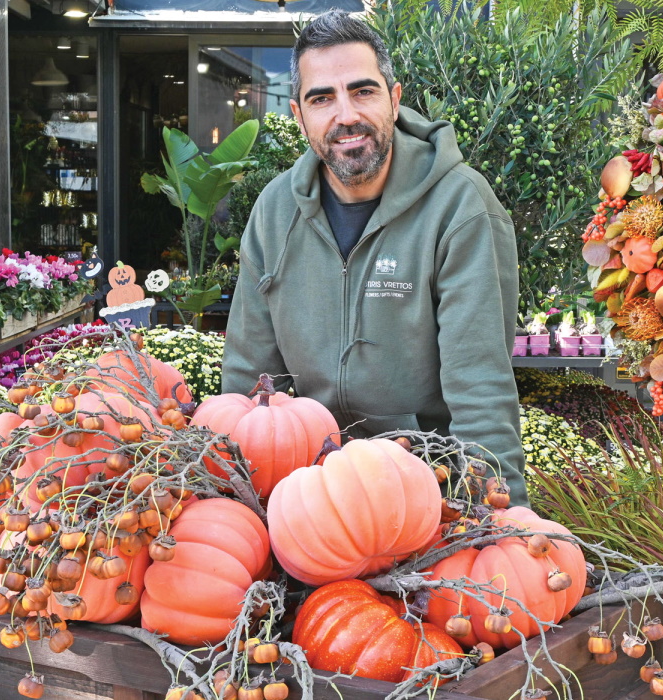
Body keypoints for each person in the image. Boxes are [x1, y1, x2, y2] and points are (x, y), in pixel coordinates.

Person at [221, 10, 527, 506]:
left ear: (394, 98)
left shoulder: (460, 206)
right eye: (323, 98)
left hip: (427, 485)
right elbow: (248, 376)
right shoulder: (275, 212)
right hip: (308, 487)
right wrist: (232, 499)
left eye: (362, 91)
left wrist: (499, 513)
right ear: (299, 117)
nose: (346, 115)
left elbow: (480, 384)